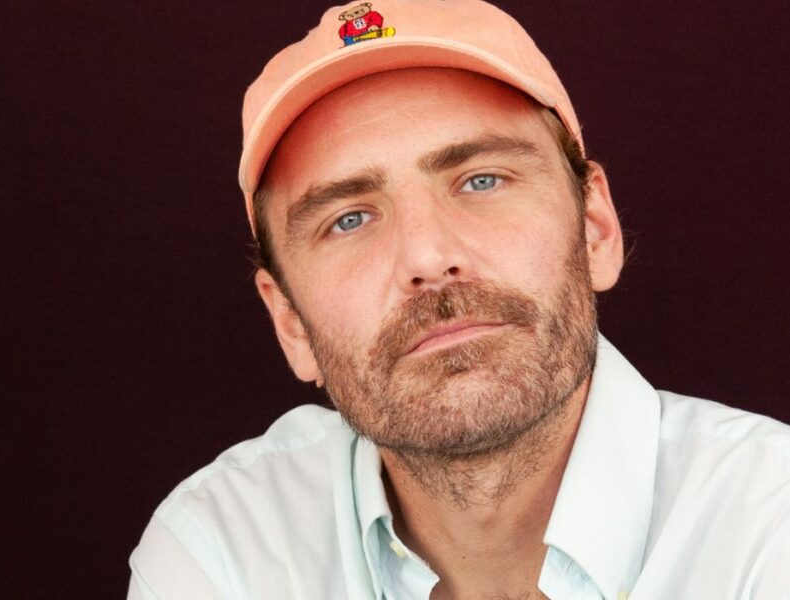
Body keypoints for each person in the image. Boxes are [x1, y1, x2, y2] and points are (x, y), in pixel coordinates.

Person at [127, 1, 790, 598]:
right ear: (289, 322)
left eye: (481, 180)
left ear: (595, 228)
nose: (427, 257)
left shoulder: (768, 521)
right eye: (348, 219)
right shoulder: (223, 551)